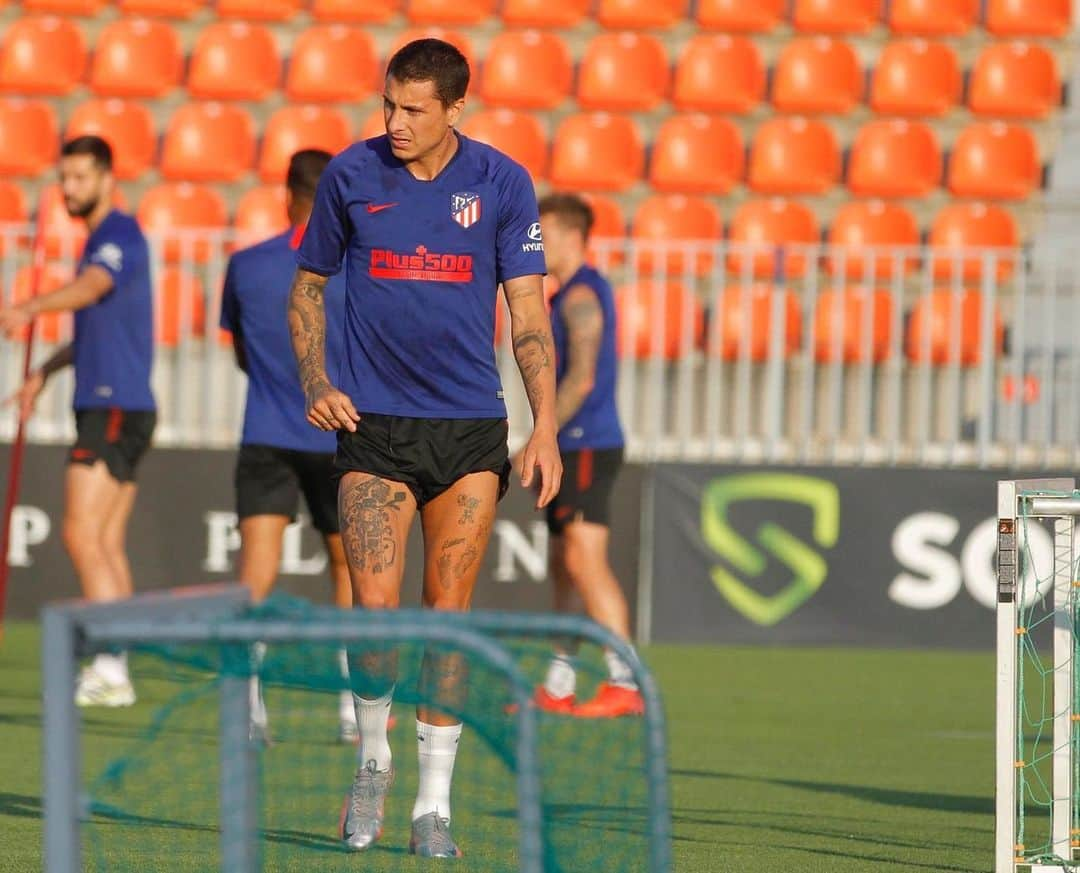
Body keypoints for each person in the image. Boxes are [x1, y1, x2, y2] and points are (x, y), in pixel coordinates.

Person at [288, 38, 561, 858]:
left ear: (453, 109)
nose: (395, 122)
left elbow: (528, 317)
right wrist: (314, 380)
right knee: (375, 612)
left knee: (449, 620)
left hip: (469, 431)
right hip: (373, 429)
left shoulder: (503, 183)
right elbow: (306, 287)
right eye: (388, 104)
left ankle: (432, 805)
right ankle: (370, 763)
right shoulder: (349, 175)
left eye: (413, 109)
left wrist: (542, 423)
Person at [0, 135, 155, 707]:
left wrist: (30, 306)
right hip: (117, 401)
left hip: (113, 403)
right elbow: (96, 324)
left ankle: (111, 665)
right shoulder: (98, 239)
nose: (69, 188)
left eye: (80, 177)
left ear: (107, 178)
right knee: (105, 539)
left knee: (78, 532)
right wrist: (46, 368)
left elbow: (94, 289)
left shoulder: (118, 235)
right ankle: (114, 662)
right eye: (63, 178)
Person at [219, 149, 360, 744]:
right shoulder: (356, 266)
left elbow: (242, 354)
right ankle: (354, 710)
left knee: (255, 573)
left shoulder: (246, 265)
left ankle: (249, 708)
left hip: (267, 432)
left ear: (285, 195)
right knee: (350, 572)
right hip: (340, 435)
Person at [532, 193, 644, 718]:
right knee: (563, 564)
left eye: (544, 231)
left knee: (584, 558)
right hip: (573, 441)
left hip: (586, 442)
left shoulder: (582, 295)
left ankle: (625, 681)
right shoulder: (566, 295)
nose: (537, 241)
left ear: (571, 235)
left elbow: (583, 374)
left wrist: (544, 431)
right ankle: (559, 684)